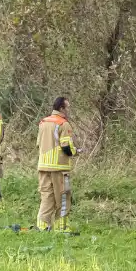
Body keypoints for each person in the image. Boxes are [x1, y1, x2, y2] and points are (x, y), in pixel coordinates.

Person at [37, 96, 77, 232]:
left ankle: (42, 226)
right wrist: (75, 151)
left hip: (43, 166)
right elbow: (66, 146)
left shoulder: (43, 122)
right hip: (59, 167)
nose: (69, 111)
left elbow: (39, 144)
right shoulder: (63, 124)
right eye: (68, 108)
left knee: (46, 196)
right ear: (61, 108)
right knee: (63, 197)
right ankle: (62, 227)